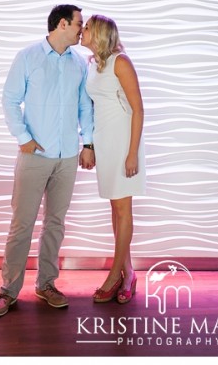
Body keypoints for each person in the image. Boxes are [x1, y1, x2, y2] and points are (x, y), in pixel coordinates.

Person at [0, 4, 95, 317]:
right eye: (78, 23)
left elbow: (84, 107)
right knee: (22, 224)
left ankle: (46, 284)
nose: (82, 29)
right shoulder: (28, 57)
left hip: (67, 156)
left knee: (55, 224)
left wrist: (88, 143)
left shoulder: (79, 63)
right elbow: (10, 99)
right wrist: (23, 138)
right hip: (34, 155)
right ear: (62, 24)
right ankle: (8, 290)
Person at [80, 15, 145, 304]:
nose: (82, 31)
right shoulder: (92, 63)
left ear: (99, 34)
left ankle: (115, 274)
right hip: (105, 141)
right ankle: (128, 273)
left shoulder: (121, 62)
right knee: (115, 209)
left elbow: (138, 110)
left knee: (123, 209)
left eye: (87, 28)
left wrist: (132, 153)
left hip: (123, 142)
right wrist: (92, 145)